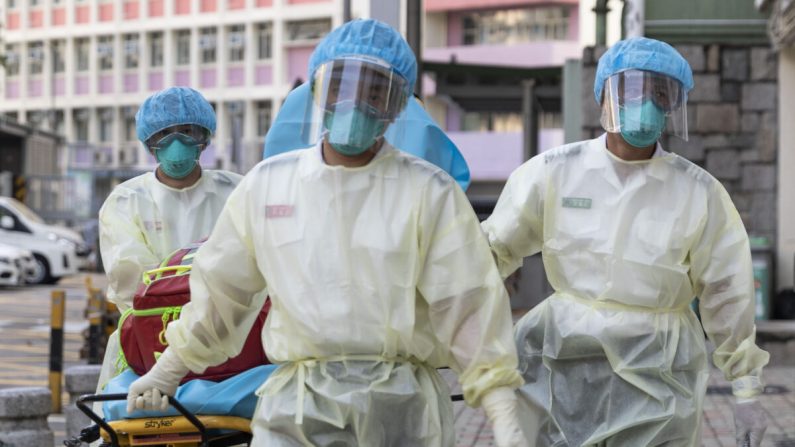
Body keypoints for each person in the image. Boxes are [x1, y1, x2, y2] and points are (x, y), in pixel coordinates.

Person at [124, 19, 527, 447]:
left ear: (397, 107)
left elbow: (469, 308)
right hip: (297, 410)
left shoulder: (429, 191)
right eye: (341, 85)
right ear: (318, 91)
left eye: (376, 93)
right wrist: (165, 372)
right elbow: (223, 296)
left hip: (402, 411)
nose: (356, 103)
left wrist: (504, 417)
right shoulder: (268, 185)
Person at [482, 37, 770, 447]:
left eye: (660, 94)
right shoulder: (553, 173)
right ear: (605, 97)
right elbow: (490, 253)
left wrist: (746, 387)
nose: (647, 104)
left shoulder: (697, 192)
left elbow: (727, 292)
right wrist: (459, 331)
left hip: (660, 378)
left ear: (673, 106)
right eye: (634, 90)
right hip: (561, 366)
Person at [96, 87, 242, 396]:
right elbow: (133, 285)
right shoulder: (126, 201)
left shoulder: (237, 192)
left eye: (188, 131)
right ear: (149, 142)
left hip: (233, 341)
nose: (177, 143)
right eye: (165, 134)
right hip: (148, 341)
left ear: (205, 135)